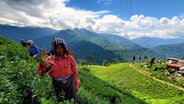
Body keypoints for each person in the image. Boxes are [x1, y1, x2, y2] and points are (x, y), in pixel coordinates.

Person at [36, 38, 80, 103]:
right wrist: (42, 65)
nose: (60, 50)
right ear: (54, 49)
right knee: (60, 100)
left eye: (61, 48)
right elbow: (40, 72)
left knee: (73, 100)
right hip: (56, 84)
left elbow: (75, 72)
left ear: (65, 48)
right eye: (57, 48)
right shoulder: (50, 59)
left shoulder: (69, 58)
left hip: (69, 83)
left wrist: (76, 84)